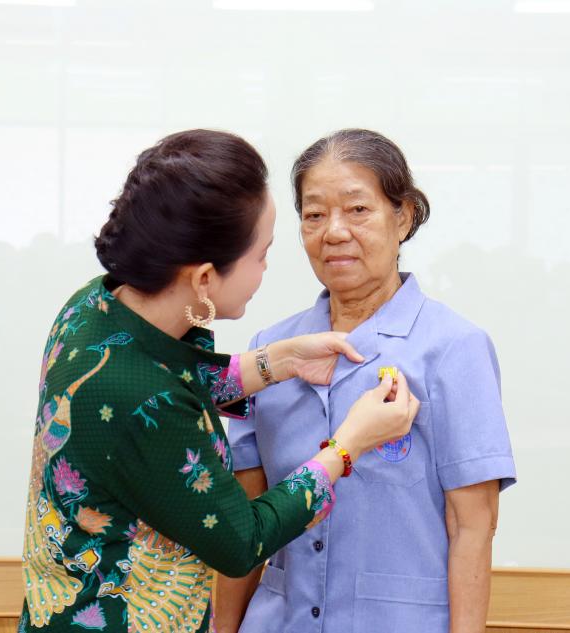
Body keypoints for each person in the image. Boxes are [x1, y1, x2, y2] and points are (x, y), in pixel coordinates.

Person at [18, 129, 420, 632]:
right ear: (206, 278)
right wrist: (347, 446)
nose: (267, 269)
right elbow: (241, 541)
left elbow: (169, 376)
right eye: (261, 255)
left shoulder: (92, 308)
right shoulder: (144, 396)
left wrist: (277, 361)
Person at [216, 129, 517, 633]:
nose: (333, 231)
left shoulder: (453, 347)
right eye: (314, 214)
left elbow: (473, 525)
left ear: (403, 217)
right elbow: (245, 519)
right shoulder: (271, 350)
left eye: (357, 210)